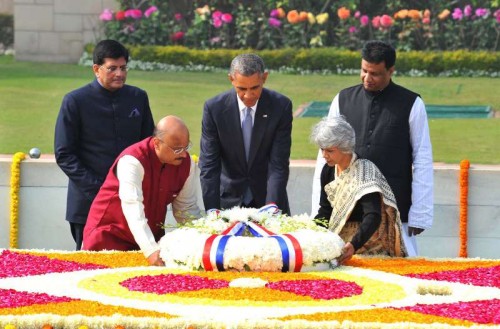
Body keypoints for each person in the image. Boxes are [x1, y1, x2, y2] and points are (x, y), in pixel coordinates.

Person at [311, 40, 433, 256]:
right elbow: (325, 156)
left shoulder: (412, 103)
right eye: (364, 71)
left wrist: (420, 213)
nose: (367, 78)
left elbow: (422, 158)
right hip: (347, 209)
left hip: (394, 209)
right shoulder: (343, 99)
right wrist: (318, 211)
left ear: (391, 70)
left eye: (375, 73)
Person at [54, 39, 155, 250]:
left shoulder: (138, 97)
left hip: (132, 202)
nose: (119, 74)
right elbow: (64, 154)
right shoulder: (74, 101)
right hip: (88, 204)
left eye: (123, 68)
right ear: (96, 69)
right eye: (112, 68)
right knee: (89, 271)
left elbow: (148, 146)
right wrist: (100, 189)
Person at [82, 116, 201, 266]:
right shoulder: (132, 161)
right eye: (177, 149)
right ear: (157, 143)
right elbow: (132, 207)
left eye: (186, 147)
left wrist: (205, 241)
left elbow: (186, 209)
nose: (184, 154)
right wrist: (150, 250)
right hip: (109, 238)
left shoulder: (187, 164)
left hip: (149, 241)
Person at [199, 53, 293, 214]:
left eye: (255, 88)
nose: (248, 95)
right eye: (241, 89)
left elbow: (278, 164)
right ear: (231, 80)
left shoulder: (280, 106)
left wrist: (272, 208)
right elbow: (209, 165)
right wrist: (212, 210)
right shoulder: (214, 109)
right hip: (227, 202)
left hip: (269, 200)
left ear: (264, 78)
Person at [311, 117, 407, 264]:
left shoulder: (364, 171)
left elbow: (373, 215)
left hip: (367, 242)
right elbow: (325, 210)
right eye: (322, 149)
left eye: (330, 150)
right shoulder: (328, 170)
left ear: (345, 147)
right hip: (337, 238)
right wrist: (312, 234)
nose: (324, 155)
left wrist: (354, 244)